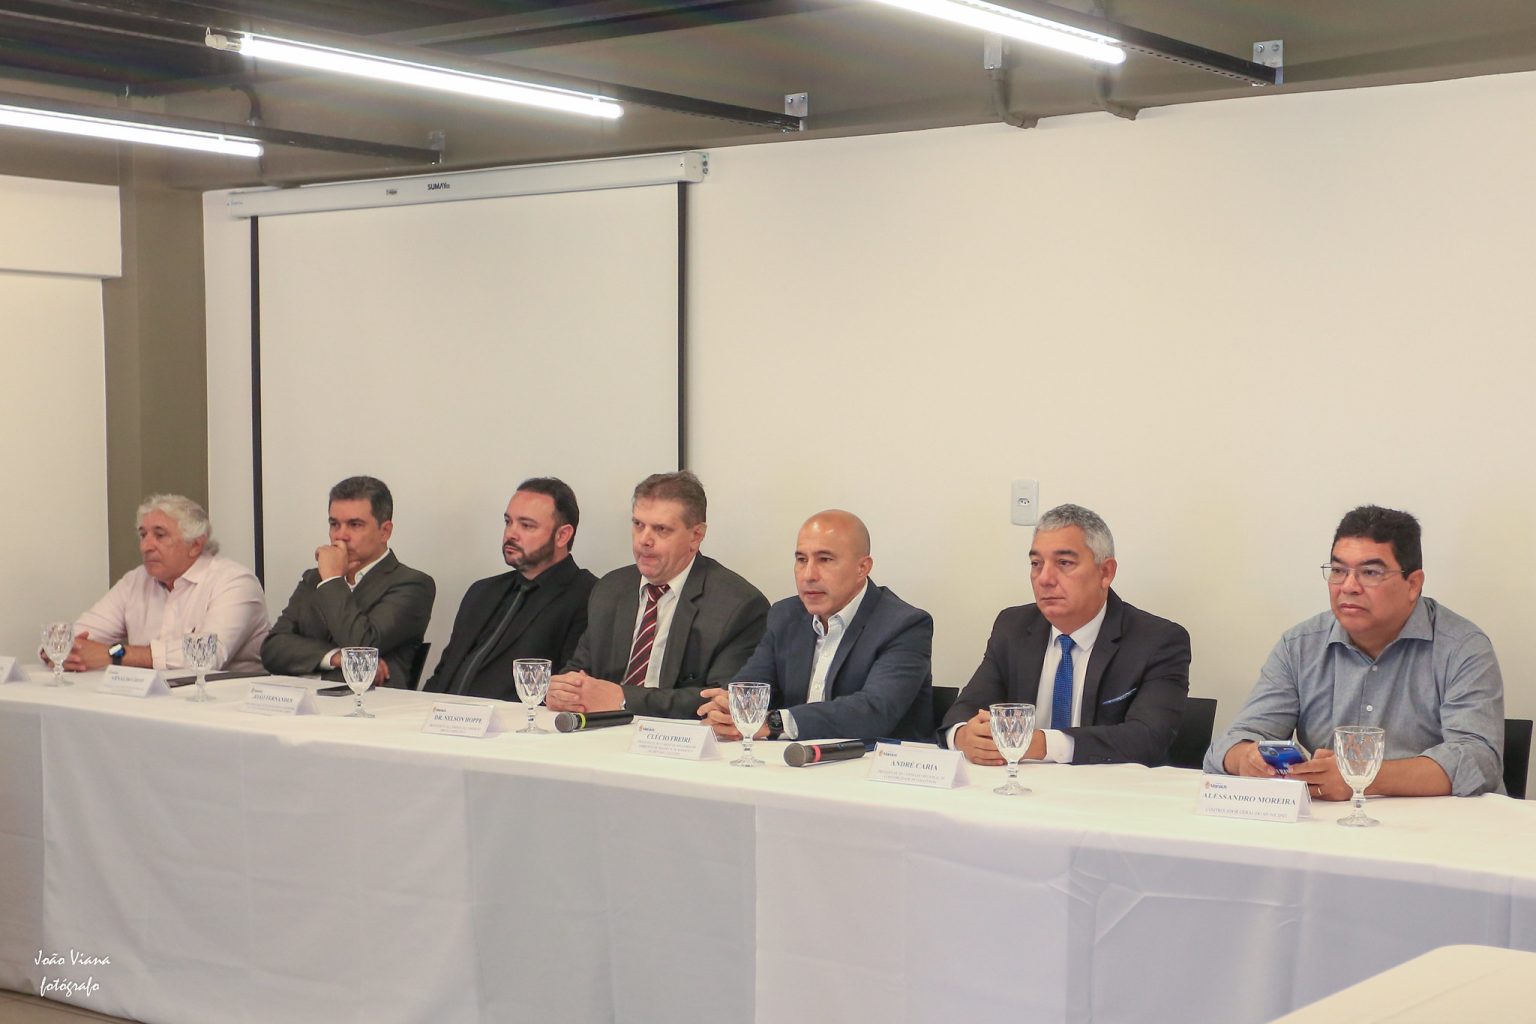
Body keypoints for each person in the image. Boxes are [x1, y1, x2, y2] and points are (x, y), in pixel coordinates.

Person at [1205, 505, 1503, 798]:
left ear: (1413, 584)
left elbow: (1478, 761)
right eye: (1338, 571)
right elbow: (1231, 744)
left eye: (1370, 572)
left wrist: (1360, 778)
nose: (1348, 586)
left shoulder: (1462, 647)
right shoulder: (1299, 646)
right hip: (1329, 823)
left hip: (1437, 825)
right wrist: (1245, 758)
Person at [940, 503, 1191, 766]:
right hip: (1019, 785)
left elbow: (1148, 739)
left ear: (1105, 572)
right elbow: (964, 710)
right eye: (1036, 564)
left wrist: (1042, 744)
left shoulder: (1158, 641)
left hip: (1105, 788)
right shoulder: (1013, 627)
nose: (1045, 578)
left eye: (1064, 563)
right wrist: (962, 736)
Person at [547, 471, 768, 718]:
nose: (644, 540)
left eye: (661, 529)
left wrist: (624, 699)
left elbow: (723, 700)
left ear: (696, 536)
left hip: (680, 738)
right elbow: (578, 670)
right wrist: (563, 691)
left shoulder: (738, 605)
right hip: (601, 731)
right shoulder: (611, 588)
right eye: (638, 525)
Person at [698, 510, 933, 742]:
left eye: (825, 560)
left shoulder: (904, 625)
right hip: (791, 758)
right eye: (801, 560)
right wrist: (728, 708)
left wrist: (774, 723)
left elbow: (874, 711)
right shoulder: (785, 615)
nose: (808, 575)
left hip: (873, 761)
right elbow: (752, 687)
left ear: (862, 568)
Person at [422, 478, 597, 700]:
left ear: (562, 535)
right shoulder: (482, 591)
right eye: (508, 522)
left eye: (526, 525)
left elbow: (568, 689)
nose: (510, 534)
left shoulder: (589, 596)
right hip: (445, 715)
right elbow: (443, 675)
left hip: (520, 720)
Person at [57, 494, 268, 673]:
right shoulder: (135, 580)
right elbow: (73, 637)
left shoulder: (234, 582)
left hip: (223, 701)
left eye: (160, 535)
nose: (145, 546)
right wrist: (61, 652)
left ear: (195, 545)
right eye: (143, 535)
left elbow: (208, 656)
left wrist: (115, 654)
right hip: (150, 699)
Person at [261, 475, 435, 686]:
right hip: (303, 700)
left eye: (355, 525)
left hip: (369, 702)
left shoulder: (412, 584)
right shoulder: (313, 578)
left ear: (385, 531)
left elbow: (363, 645)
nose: (340, 536)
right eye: (334, 524)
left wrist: (333, 580)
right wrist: (335, 657)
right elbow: (272, 649)